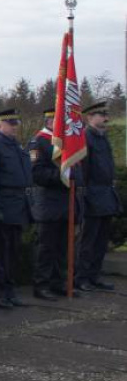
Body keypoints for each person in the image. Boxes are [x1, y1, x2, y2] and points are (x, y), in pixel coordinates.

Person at [0, 109, 33, 309]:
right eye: (10, 123)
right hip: (2, 204)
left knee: (13, 252)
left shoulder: (17, 147)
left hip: (18, 205)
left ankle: (10, 290)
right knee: (0, 254)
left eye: (15, 123)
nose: (14, 127)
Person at [27, 109, 82, 301]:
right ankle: (41, 285)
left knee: (62, 248)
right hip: (48, 203)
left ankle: (59, 283)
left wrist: (74, 177)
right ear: (50, 121)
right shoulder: (38, 142)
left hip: (66, 203)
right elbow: (37, 174)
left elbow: (78, 167)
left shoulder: (67, 142)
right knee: (46, 248)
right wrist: (63, 176)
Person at [77, 101, 121, 292]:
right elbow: (83, 171)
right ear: (90, 117)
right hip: (92, 195)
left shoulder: (103, 137)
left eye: (105, 115)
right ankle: (81, 277)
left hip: (105, 195)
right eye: (101, 115)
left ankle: (95, 275)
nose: (106, 118)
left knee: (101, 241)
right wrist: (84, 195)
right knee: (88, 241)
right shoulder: (86, 137)